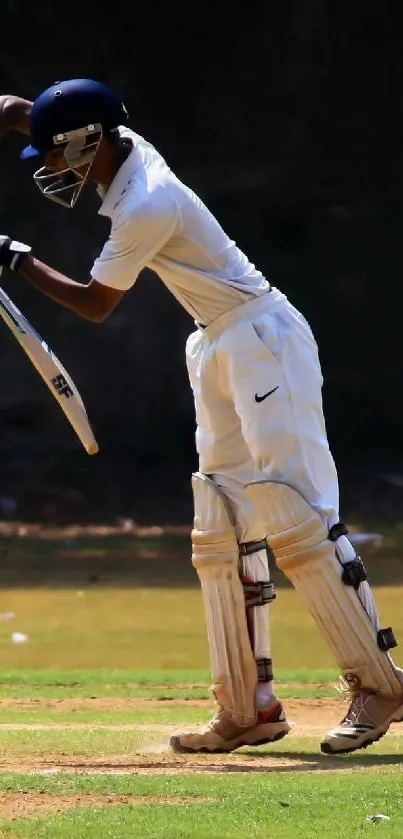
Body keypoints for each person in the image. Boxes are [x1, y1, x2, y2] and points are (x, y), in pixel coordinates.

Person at [0, 78, 402, 756]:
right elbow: (13, 110)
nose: (50, 167)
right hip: (212, 340)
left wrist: (18, 260)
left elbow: (97, 304)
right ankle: (249, 705)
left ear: (90, 141)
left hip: (263, 339)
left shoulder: (145, 204)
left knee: (295, 514)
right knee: (219, 524)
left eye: (56, 154)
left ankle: (379, 684)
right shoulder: (111, 142)